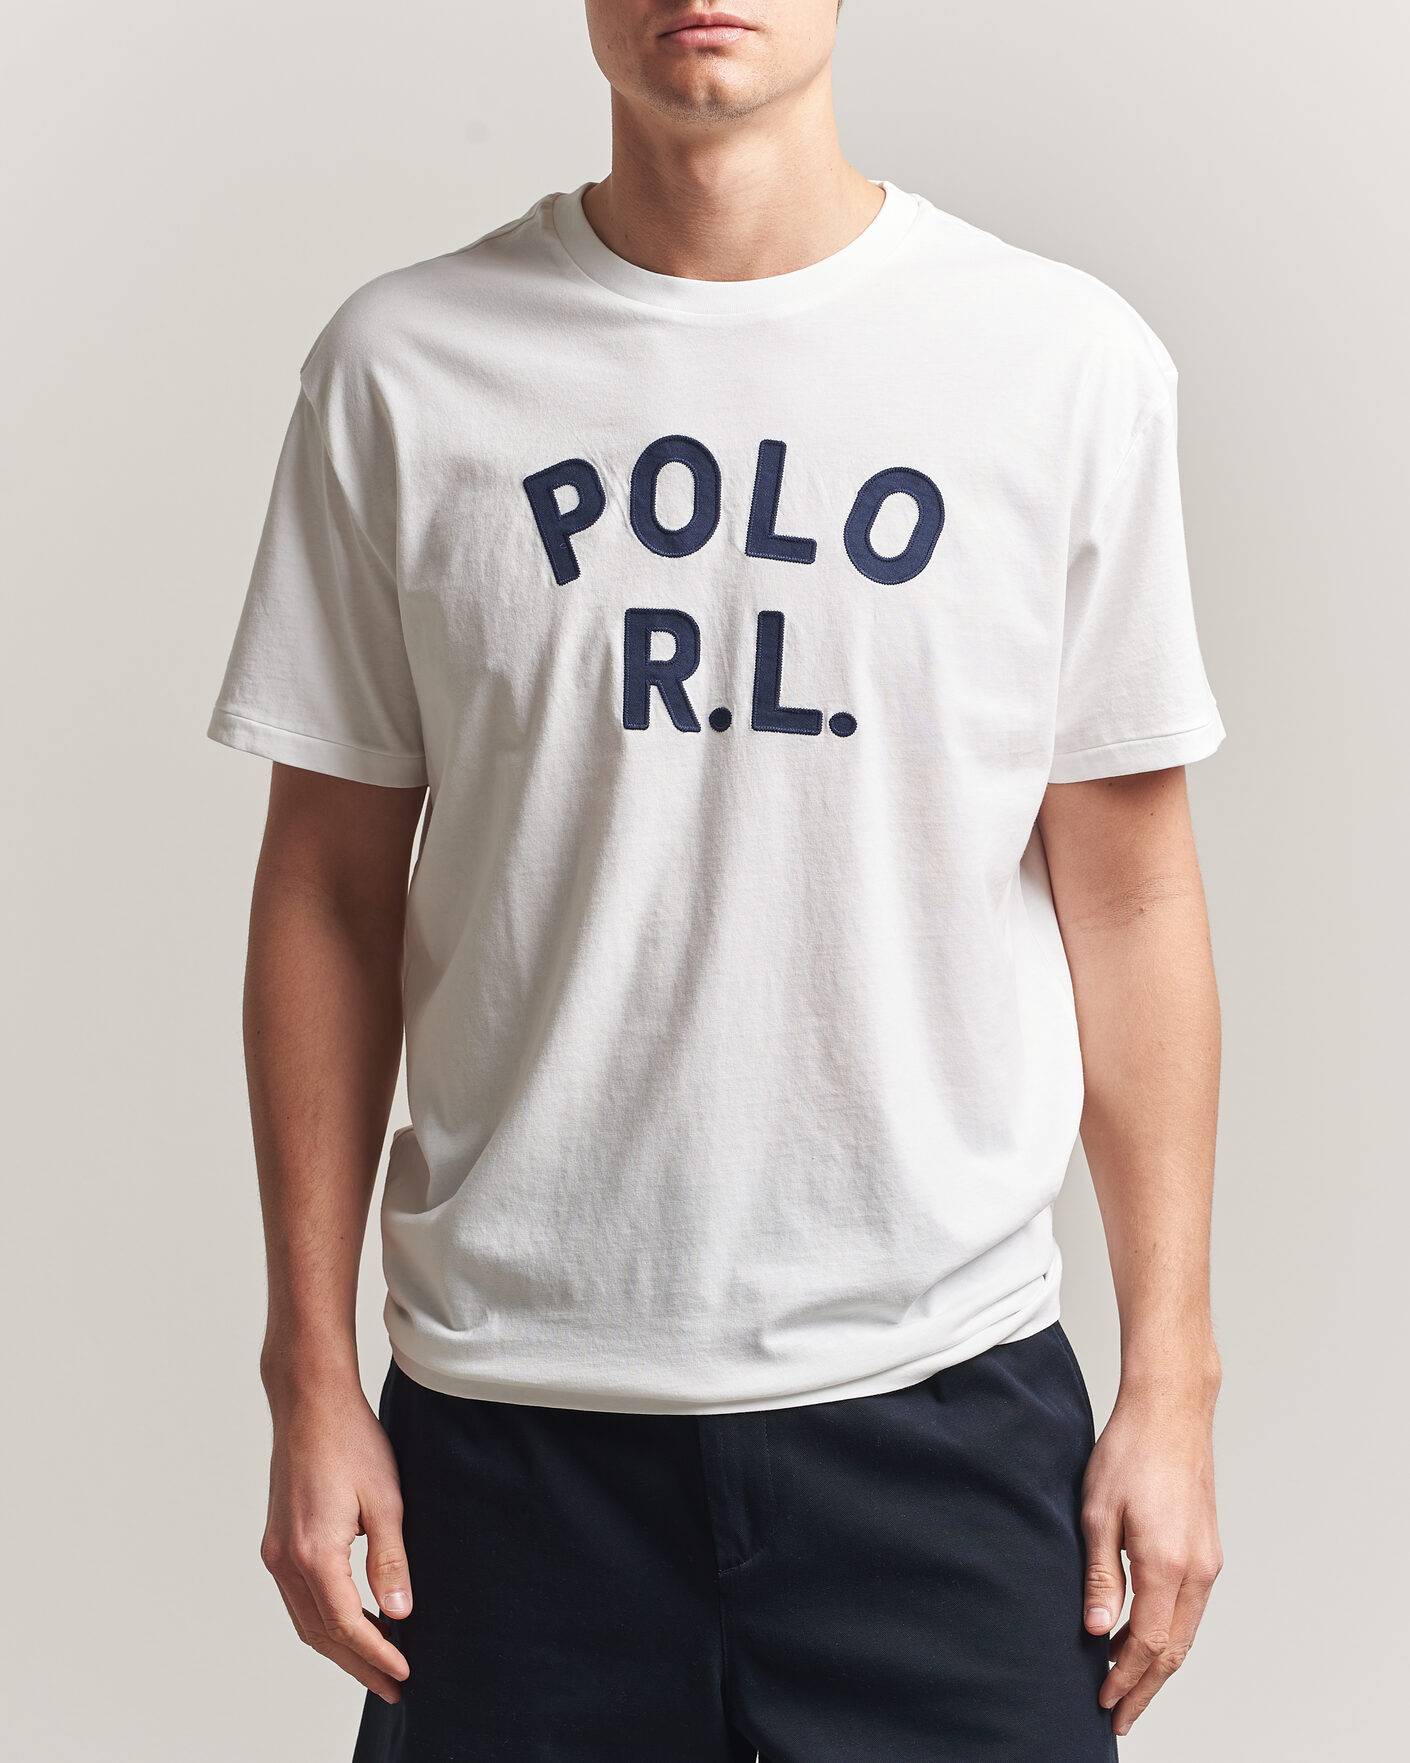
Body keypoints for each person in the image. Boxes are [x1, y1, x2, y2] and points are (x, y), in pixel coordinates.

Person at [207, 3, 1226, 1757]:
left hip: (942, 1416)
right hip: (509, 1432)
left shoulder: (1059, 365)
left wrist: (1173, 1382)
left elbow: (1128, 897)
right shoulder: (403, 367)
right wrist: (307, 1372)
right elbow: (329, 891)